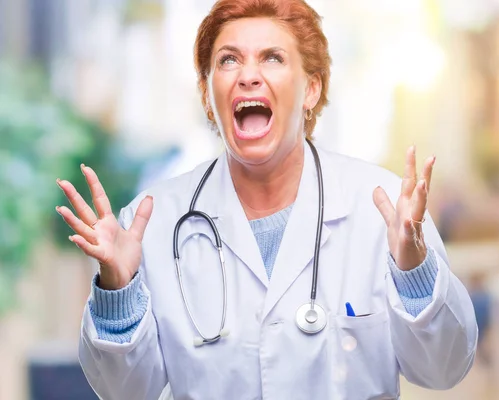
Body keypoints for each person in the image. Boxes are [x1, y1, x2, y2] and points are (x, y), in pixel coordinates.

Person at [55, 0, 477, 398]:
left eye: (272, 58)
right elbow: (125, 391)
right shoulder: (155, 220)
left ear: (311, 89)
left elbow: (444, 369)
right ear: (207, 93)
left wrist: (414, 270)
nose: (248, 75)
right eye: (228, 60)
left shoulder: (379, 208)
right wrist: (118, 290)